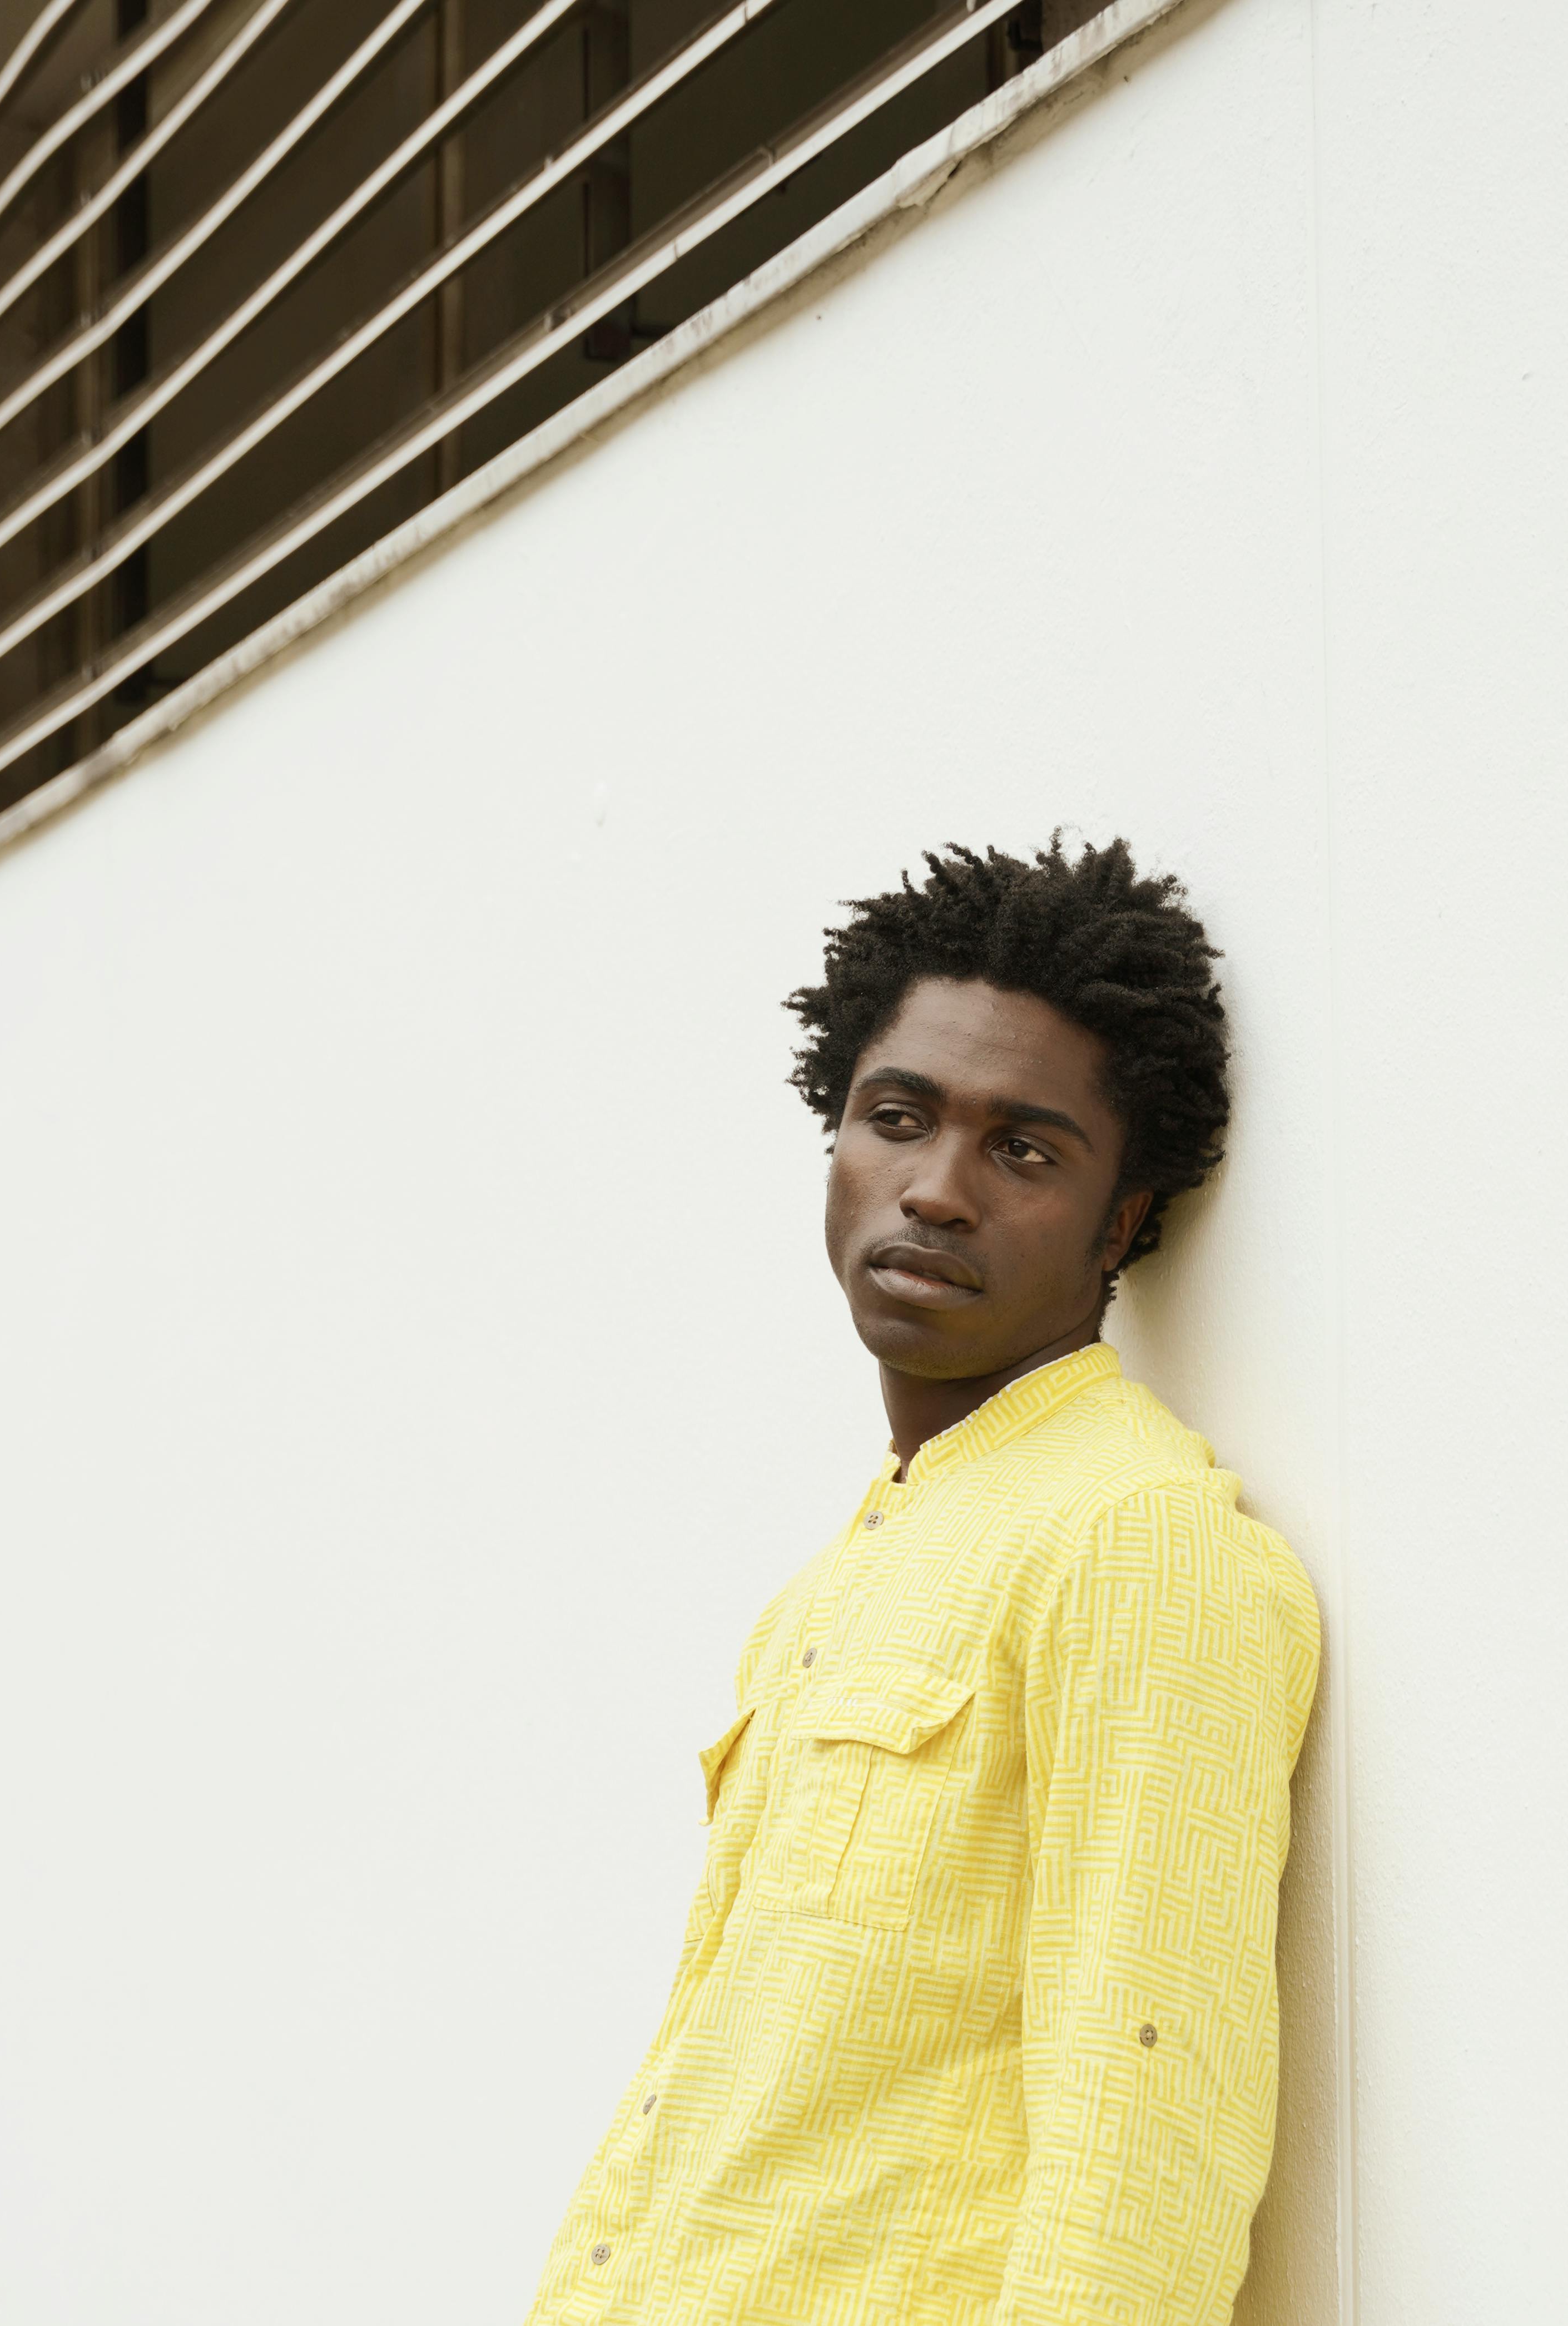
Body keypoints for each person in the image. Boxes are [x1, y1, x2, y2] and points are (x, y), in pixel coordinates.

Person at [525, 838, 1319, 2326]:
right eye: (899, 1120)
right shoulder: (845, 1573)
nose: (939, 1190)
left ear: (1126, 1220)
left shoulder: (1137, 1541)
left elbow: (1146, 2144)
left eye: (1026, 1150)